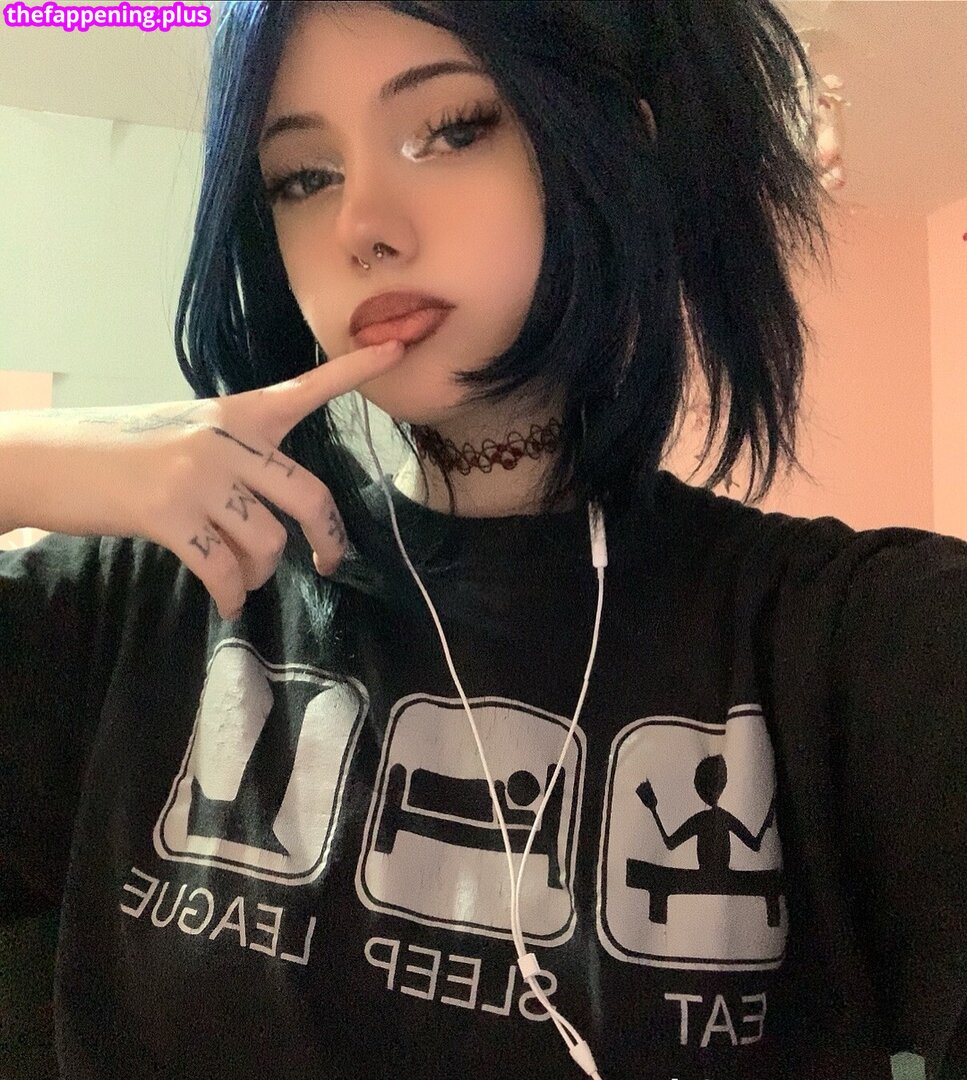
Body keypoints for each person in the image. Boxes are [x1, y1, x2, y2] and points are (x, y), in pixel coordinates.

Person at [0, 1, 964, 1078]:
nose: (360, 225)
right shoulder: (157, 594)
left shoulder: (852, 646)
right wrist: (21, 460)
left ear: (619, 151)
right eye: (303, 176)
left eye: (452, 130)